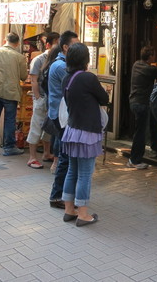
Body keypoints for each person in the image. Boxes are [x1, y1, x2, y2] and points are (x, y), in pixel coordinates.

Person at [60, 43, 109, 226]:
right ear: (86, 59)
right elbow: (104, 98)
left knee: (72, 171)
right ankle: (83, 214)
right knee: (85, 174)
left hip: (72, 130)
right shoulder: (88, 78)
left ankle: (68, 210)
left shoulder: (67, 78)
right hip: (87, 132)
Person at [48, 31, 80, 209]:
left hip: (60, 115)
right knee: (65, 157)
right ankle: (57, 196)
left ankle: (61, 194)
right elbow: (75, 87)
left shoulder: (61, 64)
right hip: (62, 117)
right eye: (75, 46)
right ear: (66, 47)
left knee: (65, 156)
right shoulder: (61, 67)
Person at [26, 32, 59, 169]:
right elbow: (33, 80)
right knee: (37, 126)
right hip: (42, 97)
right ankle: (32, 157)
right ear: (48, 44)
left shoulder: (58, 59)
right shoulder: (39, 59)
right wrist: (38, 98)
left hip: (52, 99)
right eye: (56, 43)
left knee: (49, 127)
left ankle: (46, 153)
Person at [128, 45, 157, 169]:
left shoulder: (136, 64)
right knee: (140, 133)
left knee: (154, 122)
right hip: (141, 103)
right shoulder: (150, 69)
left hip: (135, 101)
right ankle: (134, 160)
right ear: (150, 57)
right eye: (154, 55)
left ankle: (156, 148)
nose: (155, 57)